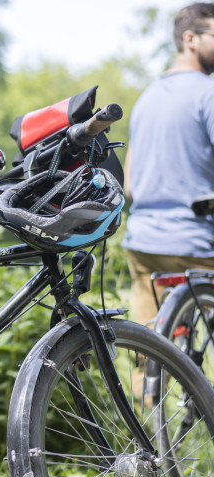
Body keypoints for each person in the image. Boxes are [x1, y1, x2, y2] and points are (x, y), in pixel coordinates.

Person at [123, 2, 214, 327]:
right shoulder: (209, 93)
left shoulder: (146, 98)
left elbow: (130, 185)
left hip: (144, 245)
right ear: (191, 38)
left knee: (150, 354)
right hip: (195, 246)